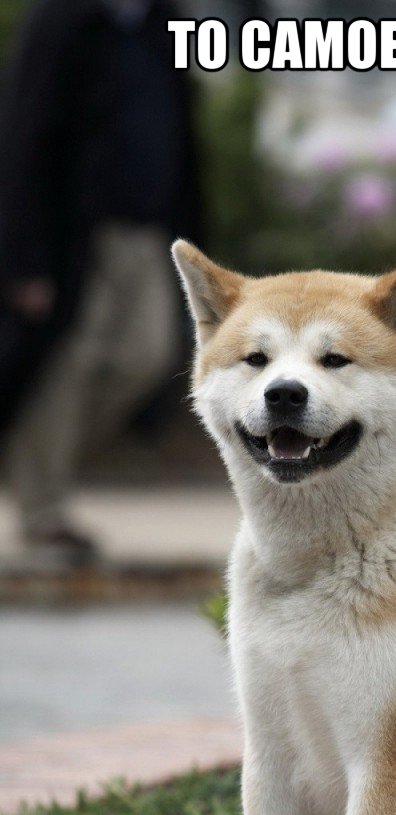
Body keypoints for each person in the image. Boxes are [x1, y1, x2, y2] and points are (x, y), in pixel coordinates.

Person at [0, 0, 202, 565]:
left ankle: (35, 464)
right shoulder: (61, 22)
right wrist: (25, 261)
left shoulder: (163, 24)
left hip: (149, 233)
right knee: (70, 361)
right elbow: (22, 140)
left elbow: (183, 142)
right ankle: (43, 509)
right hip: (75, 236)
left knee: (150, 355)